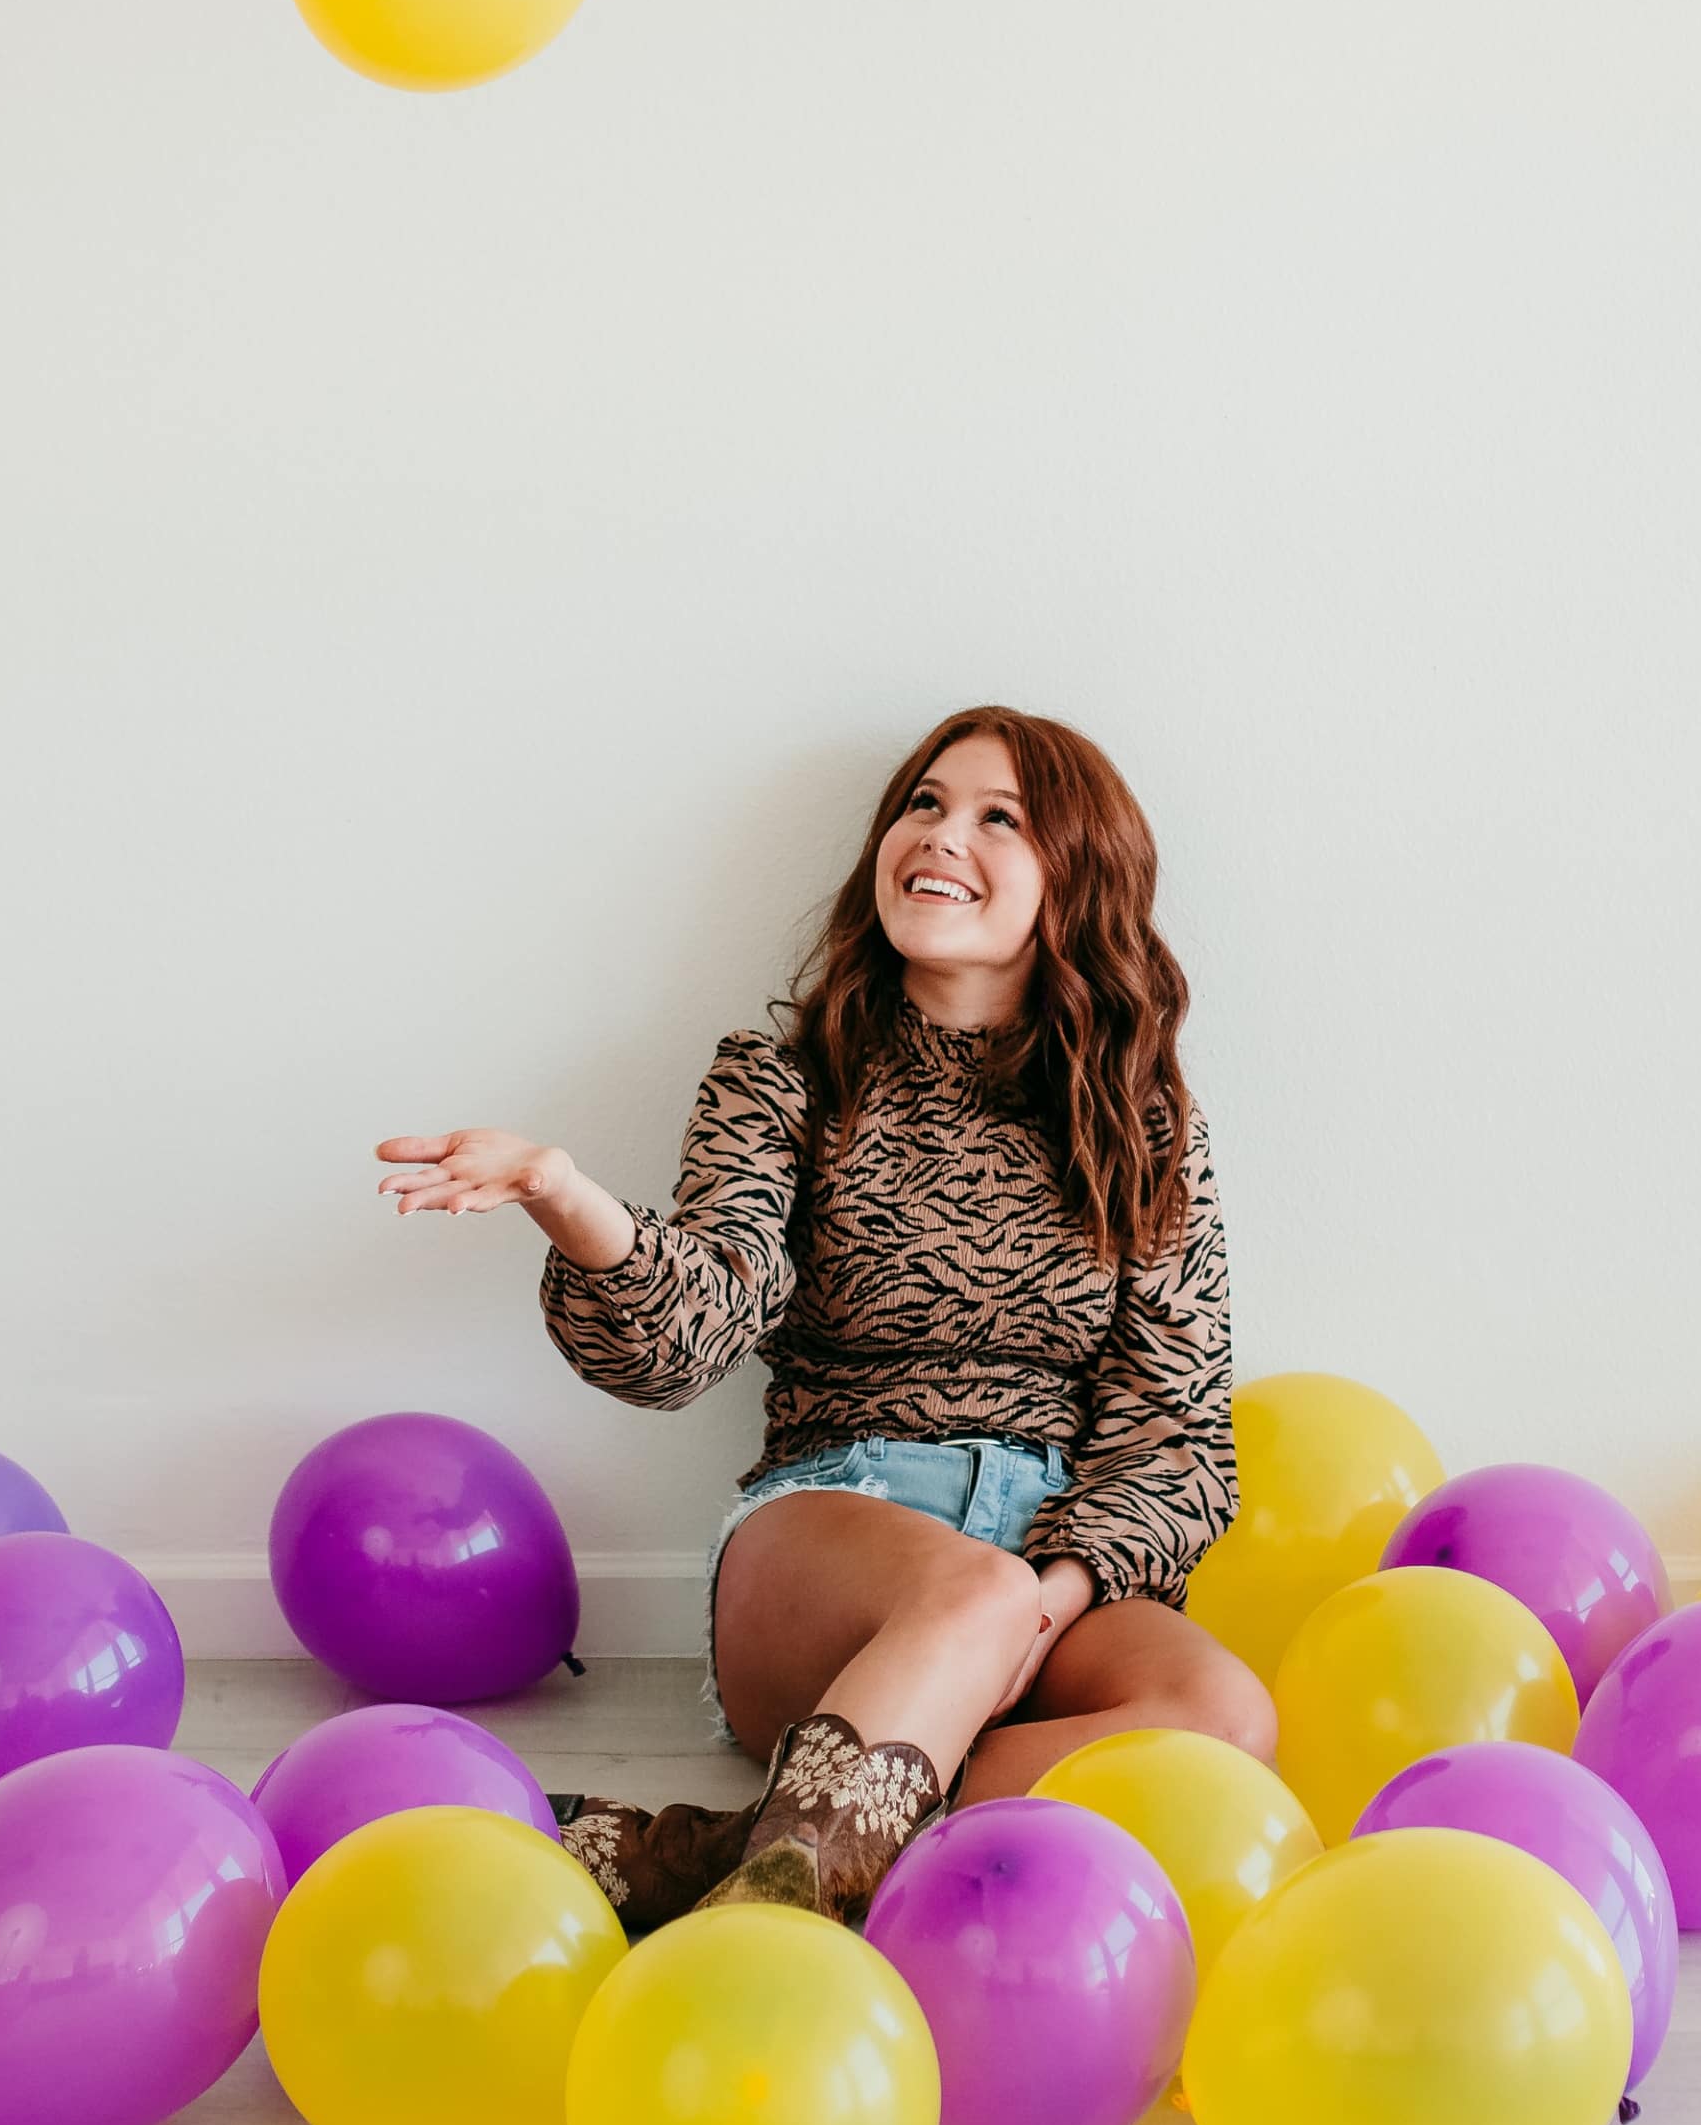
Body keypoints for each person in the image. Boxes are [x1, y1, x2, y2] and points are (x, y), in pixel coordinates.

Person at [373, 705, 1272, 1931]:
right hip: (830, 1531)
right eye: (924, 803)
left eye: (997, 818)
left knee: (1225, 1727)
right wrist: (564, 1197)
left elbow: (1174, 1431)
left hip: (1051, 1560)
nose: (940, 834)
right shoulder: (785, 1075)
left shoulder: (1144, 1120)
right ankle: (769, 1950)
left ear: (1078, 882)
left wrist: (1047, 1597)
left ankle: (727, 1857)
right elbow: (691, 1327)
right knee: (976, 1599)